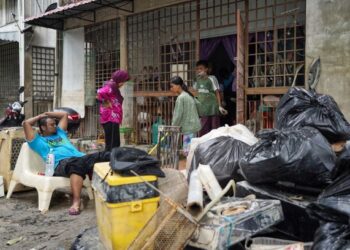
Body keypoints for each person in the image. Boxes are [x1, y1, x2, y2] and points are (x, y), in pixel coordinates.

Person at [22, 111, 110, 215]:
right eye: (51, 125)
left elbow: (64, 115)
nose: (55, 126)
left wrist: (48, 114)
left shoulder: (60, 132)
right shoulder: (37, 141)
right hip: (61, 164)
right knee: (76, 164)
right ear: (43, 127)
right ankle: (76, 202)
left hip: (81, 157)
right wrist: (40, 116)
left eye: (55, 124)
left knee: (106, 155)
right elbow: (25, 123)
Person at [96, 70, 130, 151]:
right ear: (119, 79)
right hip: (110, 118)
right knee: (112, 144)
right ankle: (109, 160)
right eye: (123, 81)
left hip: (112, 118)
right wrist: (106, 102)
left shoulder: (113, 86)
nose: (123, 84)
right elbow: (100, 92)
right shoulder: (111, 86)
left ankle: (110, 159)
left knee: (113, 143)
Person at [193, 60, 227, 136]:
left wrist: (220, 106)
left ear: (206, 69)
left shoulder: (212, 78)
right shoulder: (197, 80)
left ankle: (215, 145)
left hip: (213, 107)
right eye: (197, 69)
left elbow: (217, 92)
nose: (199, 70)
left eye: (201, 68)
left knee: (215, 128)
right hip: (203, 108)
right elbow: (195, 93)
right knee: (203, 128)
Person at [170, 76, 201, 155]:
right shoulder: (188, 95)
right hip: (194, 126)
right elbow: (199, 105)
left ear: (178, 86)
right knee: (192, 150)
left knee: (188, 152)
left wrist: (173, 126)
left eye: (172, 86)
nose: (171, 89)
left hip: (188, 128)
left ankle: (190, 166)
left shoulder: (181, 98)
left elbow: (177, 115)